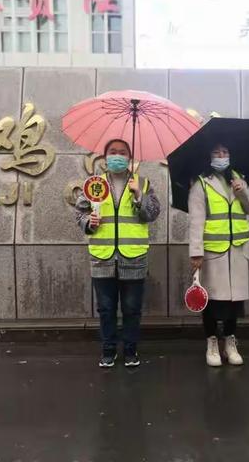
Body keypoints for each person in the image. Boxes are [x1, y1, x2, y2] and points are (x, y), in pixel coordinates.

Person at [75, 139, 160, 368]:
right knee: (105, 308)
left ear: (129, 158)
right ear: (104, 157)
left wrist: (138, 196)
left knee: (132, 308)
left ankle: (131, 350)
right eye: (113, 152)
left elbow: (152, 213)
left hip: (133, 256)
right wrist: (89, 222)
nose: (117, 156)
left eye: (122, 153)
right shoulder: (94, 184)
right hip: (102, 256)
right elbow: (80, 214)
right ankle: (108, 349)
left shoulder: (142, 183)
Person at [188, 144, 249, 367]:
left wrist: (243, 191)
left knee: (234, 302)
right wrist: (196, 253)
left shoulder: (239, 179)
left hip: (237, 250)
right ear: (208, 155)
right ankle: (211, 342)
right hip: (212, 253)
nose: (221, 157)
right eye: (216, 152)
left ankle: (230, 341)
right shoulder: (201, 183)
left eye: (226, 152)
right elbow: (196, 221)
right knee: (212, 301)